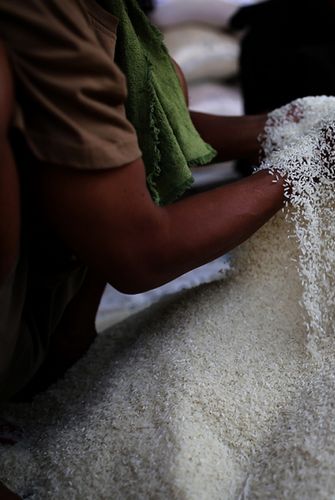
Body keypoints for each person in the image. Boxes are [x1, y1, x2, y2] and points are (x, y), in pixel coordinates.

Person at [0, 0, 291, 408]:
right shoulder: (47, 14)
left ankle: (65, 344)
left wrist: (285, 124)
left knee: (166, 78)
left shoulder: (121, 28)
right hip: (13, 339)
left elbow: (145, 133)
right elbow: (140, 251)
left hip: (49, 330)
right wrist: (303, 167)